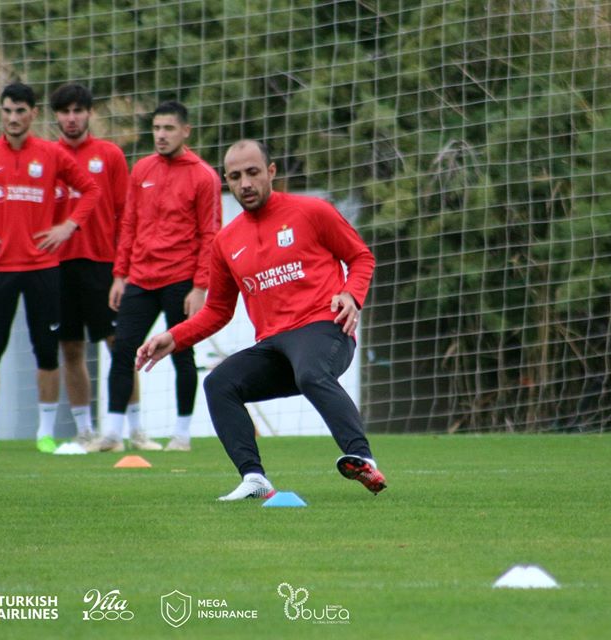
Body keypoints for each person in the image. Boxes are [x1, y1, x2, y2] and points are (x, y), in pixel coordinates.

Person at [136, 139, 387, 500]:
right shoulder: (225, 242)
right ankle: (254, 479)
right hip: (274, 346)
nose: (246, 184)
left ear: (271, 172)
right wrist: (173, 337)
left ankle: (362, 458)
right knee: (220, 383)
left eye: (253, 173)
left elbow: (361, 257)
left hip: (325, 329)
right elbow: (218, 311)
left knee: (311, 372)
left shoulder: (312, 211)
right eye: (236, 177)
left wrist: (352, 294)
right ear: (227, 180)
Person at [0, 82, 100, 454]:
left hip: (43, 267)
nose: (13, 118)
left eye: (20, 111)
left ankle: (44, 432)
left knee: (46, 350)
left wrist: (68, 226)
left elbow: (89, 190)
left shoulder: (50, 155)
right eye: (7, 111)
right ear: (2, 113)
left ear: (33, 114)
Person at [104, 100, 221, 452]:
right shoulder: (141, 170)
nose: (161, 135)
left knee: (182, 355)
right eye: (156, 128)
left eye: (168, 128)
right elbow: (130, 224)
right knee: (123, 350)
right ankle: (113, 434)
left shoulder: (203, 176)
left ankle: (181, 435)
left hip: (180, 280)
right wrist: (120, 274)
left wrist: (200, 286)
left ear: (185, 131)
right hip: (139, 276)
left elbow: (210, 234)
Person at [48, 83, 158, 451]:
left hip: (103, 266)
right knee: (71, 349)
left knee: (121, 346)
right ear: (56, 117)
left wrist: (122, 269)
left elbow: (126, 215)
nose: (72, 118)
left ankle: (136, 429)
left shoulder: (109, 155)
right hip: (58, 266)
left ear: (90, 114)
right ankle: (84, 430)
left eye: (78, 110)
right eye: (65, 112)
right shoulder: (46, 157)